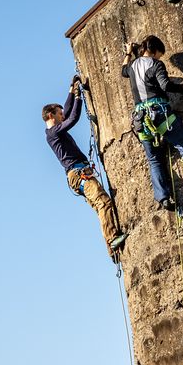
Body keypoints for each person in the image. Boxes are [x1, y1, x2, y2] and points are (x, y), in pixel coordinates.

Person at [122, 35, 183, 209]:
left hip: (140, 119)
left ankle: (163, 197)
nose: (159, 57)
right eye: (159, 54)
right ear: (155, 50)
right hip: (159, 113)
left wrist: (128, 53)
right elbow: (165, 86)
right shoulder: (156, 64)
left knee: (154, 159)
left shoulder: (133, 66)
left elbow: (123, 71)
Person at [43, 77, 127, 256]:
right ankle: (112, 240)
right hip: (78, 173)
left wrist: (71, 90)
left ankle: (112, 249)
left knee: (100, 207)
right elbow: (72, 118)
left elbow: (66, 110)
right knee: (103, 201)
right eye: (59, 114)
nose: (62, 115)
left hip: (77, 174)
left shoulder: (53, 131)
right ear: (51, 115)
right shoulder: (53, 133)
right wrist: (79, 97)